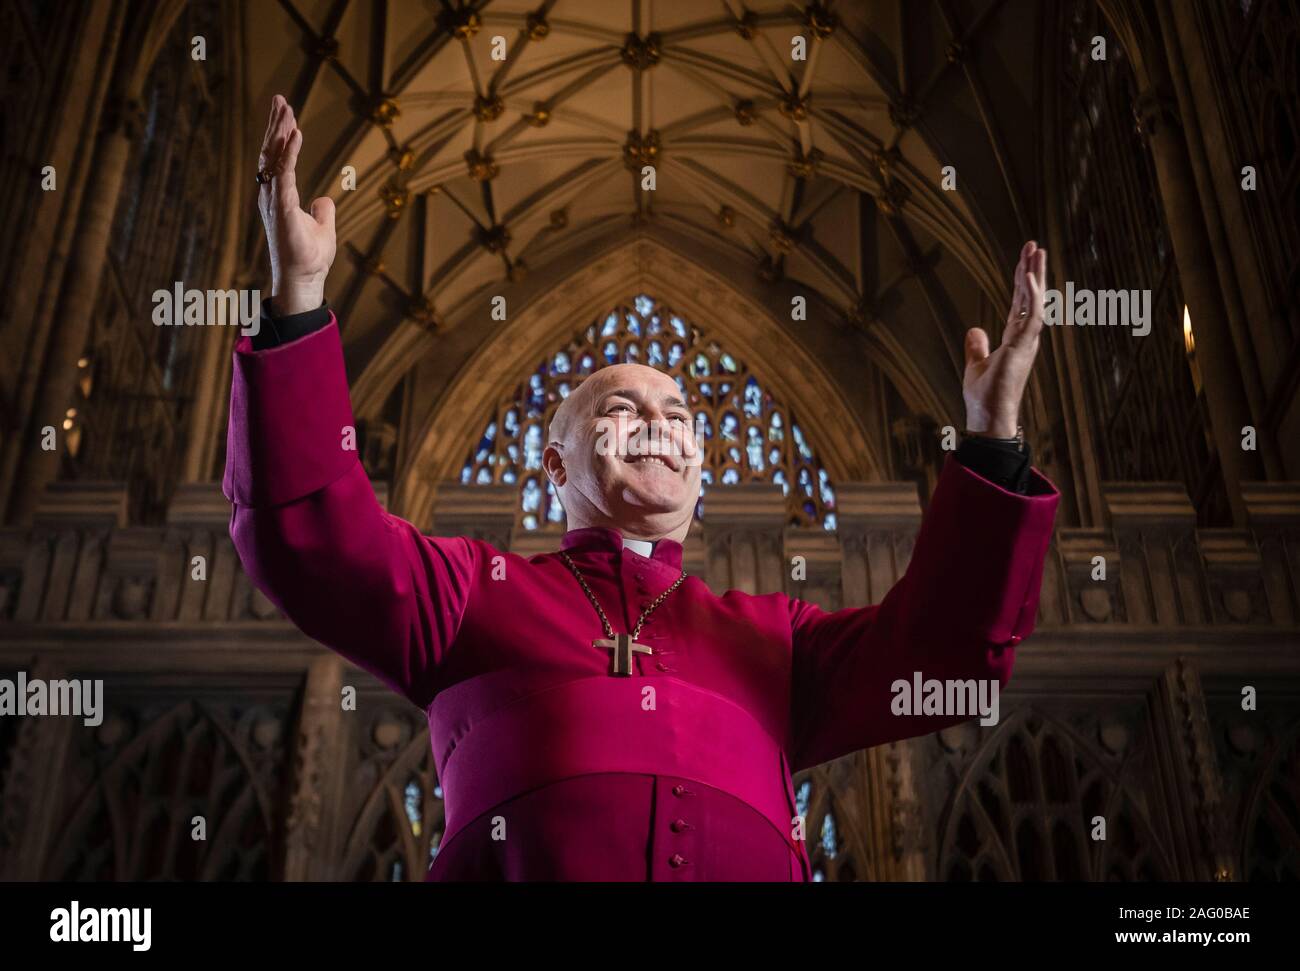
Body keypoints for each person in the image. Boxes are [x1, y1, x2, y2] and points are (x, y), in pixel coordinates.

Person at [225, 95, 1060, 881]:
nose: (659, 423)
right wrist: (298, 297)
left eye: (679, 412)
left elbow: (947, 653)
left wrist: (992, 436)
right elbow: (310, 537)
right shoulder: (472, 596)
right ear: (553, 466)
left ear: (700, 467)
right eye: (622, 409)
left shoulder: (778, 642)